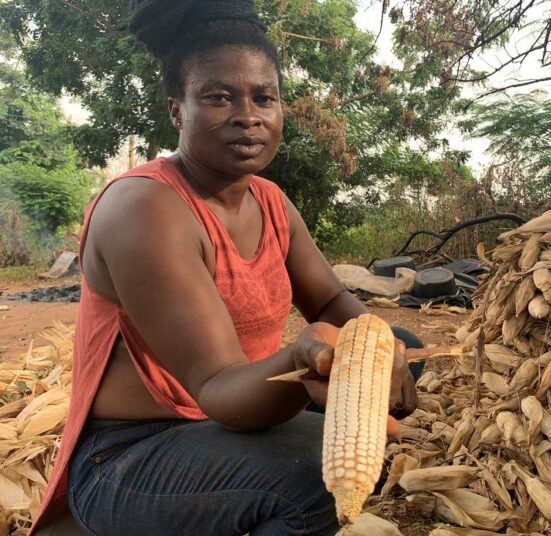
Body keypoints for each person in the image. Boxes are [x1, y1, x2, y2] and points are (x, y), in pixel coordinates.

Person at [30, 1, 421, 535]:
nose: (248, 115)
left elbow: (331, 301)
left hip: (231, 418)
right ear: (176, 111)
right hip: (131, 455)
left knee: (398, 343)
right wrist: (309, 361)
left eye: (265, 97)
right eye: (218, 97)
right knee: (310, 474)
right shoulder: (145, 209)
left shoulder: (270, 201)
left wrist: (372, 349)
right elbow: (216, 387)